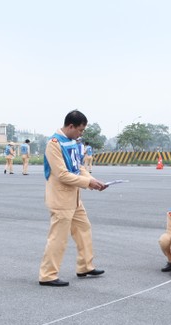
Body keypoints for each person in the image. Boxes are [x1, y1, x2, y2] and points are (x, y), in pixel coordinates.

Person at [39, 110, 108, 287]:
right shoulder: (54, 144)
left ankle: (85, 266)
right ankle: (48, 275)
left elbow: (78, 167)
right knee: (58, 237)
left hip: (75, 198)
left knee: (84, 229)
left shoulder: (71, 141)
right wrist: (88, 183)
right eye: (80, 130)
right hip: (61, 199)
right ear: (70, 126)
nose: (81, 134)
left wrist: (93, 180)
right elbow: (62, 174)